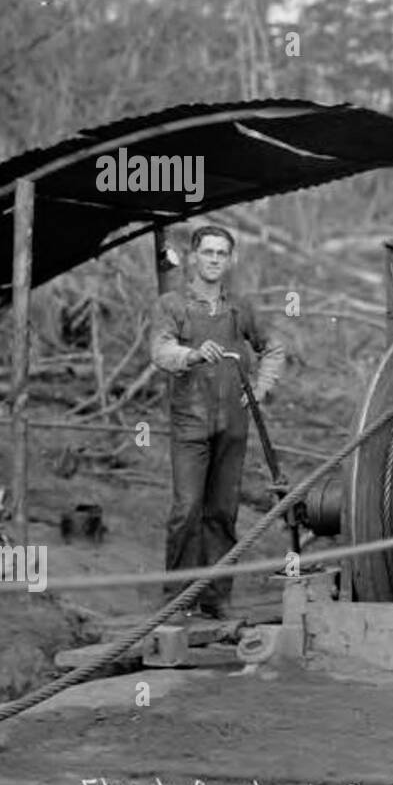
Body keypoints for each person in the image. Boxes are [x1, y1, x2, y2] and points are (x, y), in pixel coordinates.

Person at [150, 224, 285, 617]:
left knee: (223, 512)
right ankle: (176, 599)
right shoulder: (172, 305)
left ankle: (216, 598)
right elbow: (161, 349)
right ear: (193, 257)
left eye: (221, 254)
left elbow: (273, 347)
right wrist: (191, 355)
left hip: (233, 425)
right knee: (186, 510)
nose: (213, 260)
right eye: (207, 252)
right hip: (190, 423)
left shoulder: (240, 308)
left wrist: (259, 389)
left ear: (230, 260)